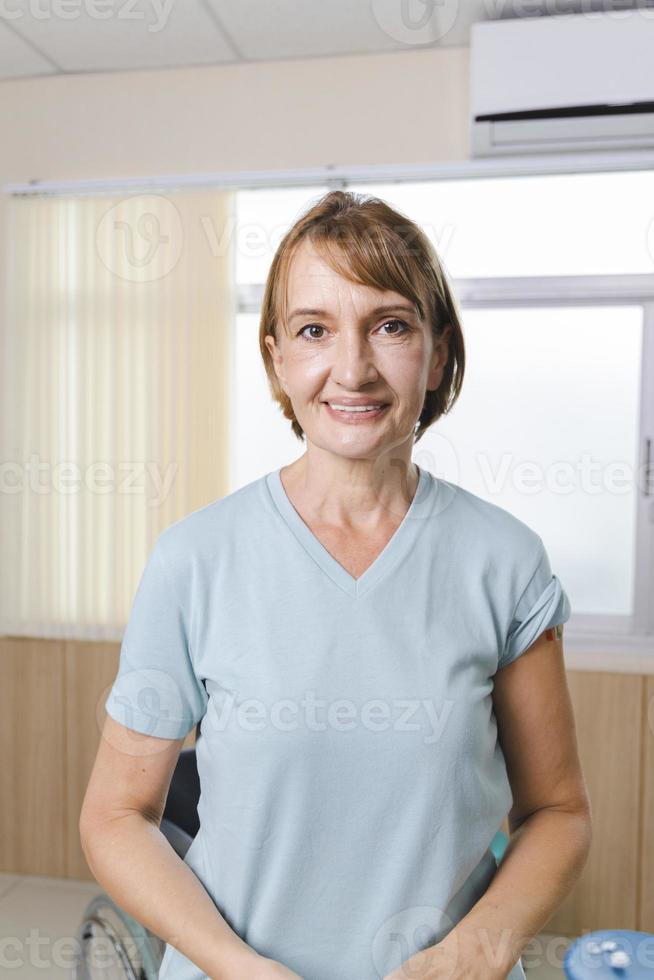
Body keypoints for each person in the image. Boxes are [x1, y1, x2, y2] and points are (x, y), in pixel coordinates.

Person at [80, 190, 592, 980]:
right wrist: (238, 967)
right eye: (315, 330)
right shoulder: (194, 560)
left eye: (389, 325)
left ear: (439, 352)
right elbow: (116, 816)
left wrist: (476, 951)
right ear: (277, 357)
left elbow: (558, 812)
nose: (351, 368)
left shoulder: (505, 562)